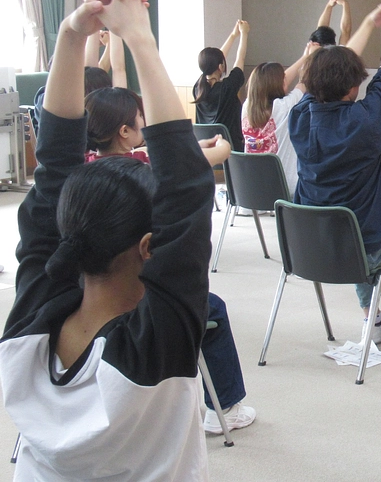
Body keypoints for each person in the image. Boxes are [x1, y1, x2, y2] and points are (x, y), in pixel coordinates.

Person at [1, 0, 215, 478]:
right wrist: (138, 40)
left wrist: (72, 36)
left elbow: (54, 167)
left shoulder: (31, 316)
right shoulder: (159, 339)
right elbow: (185, 187)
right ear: (148, 247)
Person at [82, 85, 253, 434]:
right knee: (213, 309)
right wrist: (219, 146)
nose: (144, 123)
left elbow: (155, 154)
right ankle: (226, 407)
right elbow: (196, 162)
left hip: (89, 288)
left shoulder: (86, 167)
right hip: (139, 290)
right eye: (139, 119)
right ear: (124, 131)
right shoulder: (141, 169)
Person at [289, 0, 381, 351]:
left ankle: (372, 320)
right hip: (361, 251)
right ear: (354, 86)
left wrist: (371, 22)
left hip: (310, 248)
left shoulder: (300, 118)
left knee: (351, 219)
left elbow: (327, 75)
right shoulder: (366, 125)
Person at [85, 86, 231, 167]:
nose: (143, 120)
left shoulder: (87, 161)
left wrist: (198, 145)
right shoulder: (139, 164)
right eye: (140, 116)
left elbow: (150, 150)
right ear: (124, 131)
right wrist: (223, 147)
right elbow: (190, 158)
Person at [241, 42, 319, 193]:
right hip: (283, 188)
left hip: (253, 190)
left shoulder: (246, 107)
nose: (286, 80)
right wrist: (311, 58)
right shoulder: (285, 107)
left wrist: (304, 57)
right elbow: (304, 81)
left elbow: (273, 83)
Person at [194, 19, 250, 151]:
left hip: (207, 150)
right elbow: (240, 59)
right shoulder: (227, 88)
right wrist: (244, 34)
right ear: (220, 67)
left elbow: (213, 62)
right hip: (230, 151)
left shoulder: (198, 88)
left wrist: (232, 35)